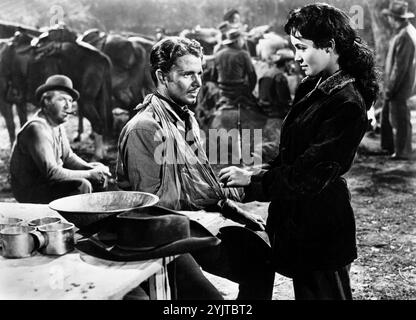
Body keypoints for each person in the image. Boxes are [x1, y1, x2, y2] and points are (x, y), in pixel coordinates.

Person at [219, 3, 379, 300]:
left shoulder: (347, 103)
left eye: (302, 47)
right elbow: (293, 152)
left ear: (329, 46)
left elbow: (308, 175)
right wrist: (254, 173)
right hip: (300, 224)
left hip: (322, 228)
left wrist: (254, 183)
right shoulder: (313, 84)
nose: (296, 56)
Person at [116, 36, 275, 300]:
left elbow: (197, 178)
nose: (199, 82)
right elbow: (153, 208)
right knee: (212, 303)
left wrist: (230, 207)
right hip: (158, 237)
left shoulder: (186, 118)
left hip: (190, 224)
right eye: (187, 74)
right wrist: (223, 197)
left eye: (200, 73)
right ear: (162, 76)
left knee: (261, 260)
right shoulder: (145, 128)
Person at [9, 75, 111, 204]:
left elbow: (68, 157)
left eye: (70, 101)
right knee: (82, 184)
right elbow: (52, 173)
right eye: (62, 99)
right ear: (46, 101)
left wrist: (93, 168)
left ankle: (95, 220)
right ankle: (78, 223)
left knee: (98, 174)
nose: (68, 106)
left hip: (50, 183)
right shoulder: (37, 128)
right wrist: (90, 174)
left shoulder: (57, 125)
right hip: (31, 191)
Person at [381, 0, 416, 160]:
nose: (388, 20)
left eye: (390, 17)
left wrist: (390, 89)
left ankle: (402, 152)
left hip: (401, 85)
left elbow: (399, 68)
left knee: (400, 118)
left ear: (396, 18)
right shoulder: (406, 31)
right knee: (397, 116)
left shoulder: (404, 36)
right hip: (404, 83)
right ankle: (397, 149)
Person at [211, 28, 257, 107]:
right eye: (242, 39)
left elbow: (213, 77)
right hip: (239, 91)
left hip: (222, 92)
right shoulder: (244, 54)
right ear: (237, 41)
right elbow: (252, 77)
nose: (243, 42)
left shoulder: (218, 54)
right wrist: (249, 91)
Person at [258, 48, 295, 118]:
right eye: (292, 62)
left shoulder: (268, 72)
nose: (293, 65)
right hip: (275, 112)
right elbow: (284, 100)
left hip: (263, 109)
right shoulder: (280, 77)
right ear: (286, 62)